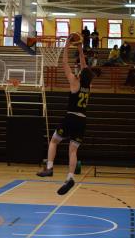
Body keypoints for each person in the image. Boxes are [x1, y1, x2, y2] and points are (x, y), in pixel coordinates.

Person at [37, 34, 95, 195]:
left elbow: (64, 63)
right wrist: (80, 48)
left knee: (54, 141)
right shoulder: (88, 85)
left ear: (80, 74)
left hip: (71, 117)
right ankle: (70, 177)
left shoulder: (75, 83)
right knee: (73, 151)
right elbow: (85, 68)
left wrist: (67, 45)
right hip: (82, 121)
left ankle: (49, 167)